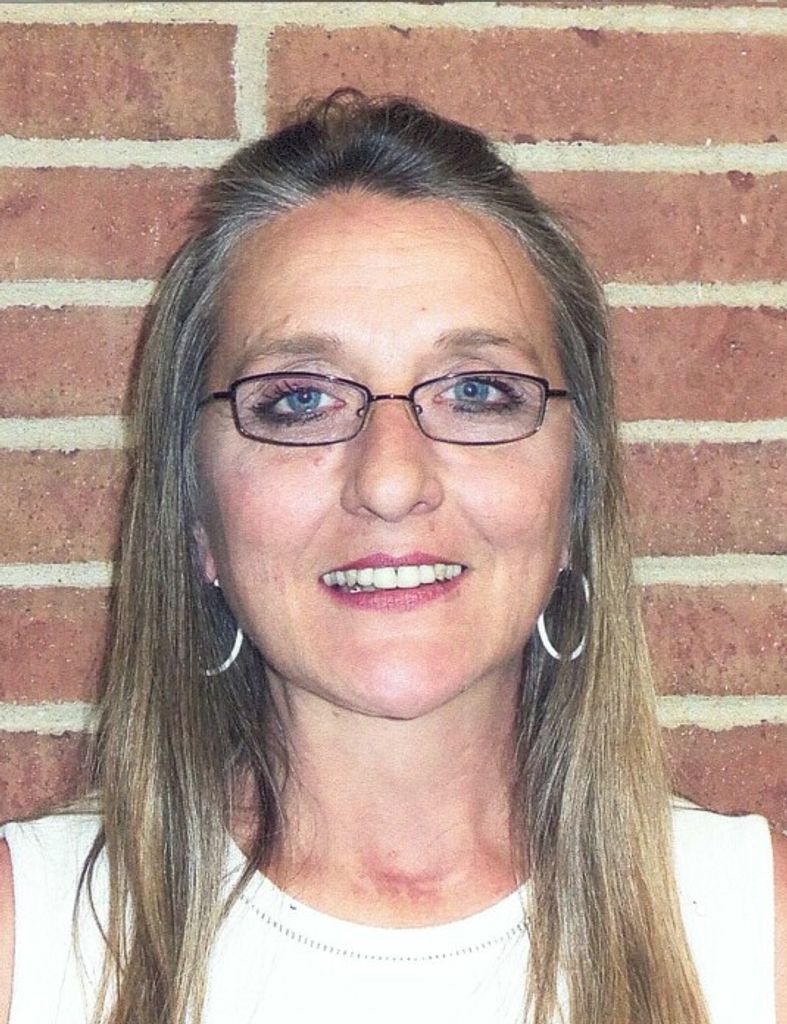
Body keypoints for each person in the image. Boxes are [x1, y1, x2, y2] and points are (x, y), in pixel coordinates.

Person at [0, 90, 783, 1024]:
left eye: (476, 391)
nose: (389, 480)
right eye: (299, 400)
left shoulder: (755, 930)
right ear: (197, 514)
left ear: (574, 496)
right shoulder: (29, 940)